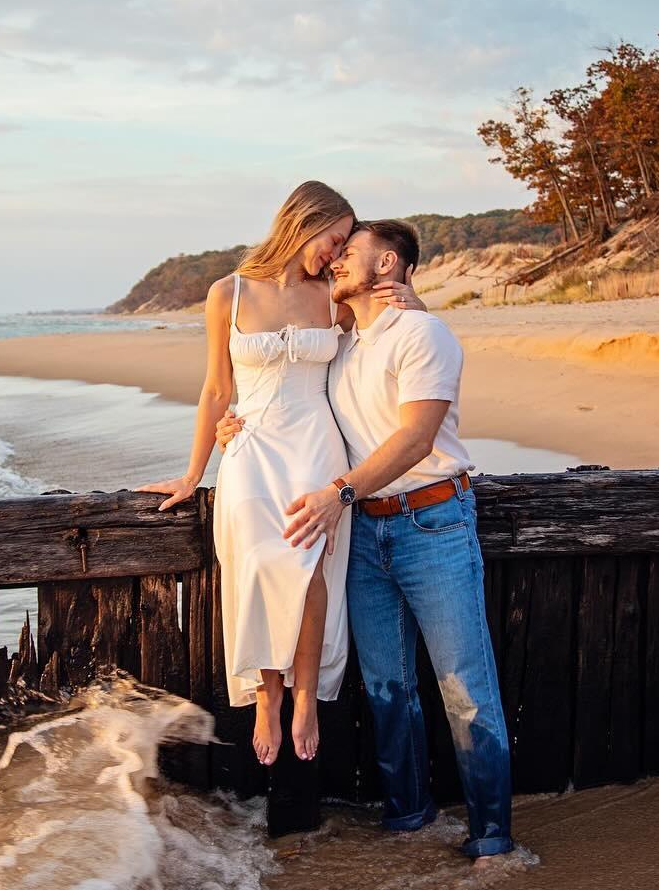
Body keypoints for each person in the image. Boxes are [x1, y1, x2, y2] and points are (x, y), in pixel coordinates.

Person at [216, 219, 514, 863]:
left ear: (388, 266)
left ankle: (491, 834)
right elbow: (285, 391)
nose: (336, 261)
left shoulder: (423, 333)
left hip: (430, 522)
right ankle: (409, 815)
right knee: (386, 686)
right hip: (365, 527)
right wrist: (235, 423)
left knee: (463, 684)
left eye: (350, 253)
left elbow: (415, 440)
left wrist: (338, 493)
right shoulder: (346, 341)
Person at [137, 182, 422, 767]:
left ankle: (307, 697)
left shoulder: (333, 297)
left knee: (312, 565)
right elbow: (217, 388)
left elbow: (383, 338)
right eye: (334, 239)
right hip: (251, 449)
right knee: (263, 565)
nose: (337, 254)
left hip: (317, 445)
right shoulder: (228, 293)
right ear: (302, 223)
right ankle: (268, 694)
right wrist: (193, 474)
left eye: (346, 245)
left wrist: (413, 299)